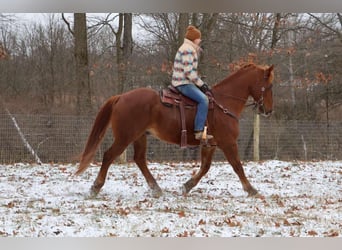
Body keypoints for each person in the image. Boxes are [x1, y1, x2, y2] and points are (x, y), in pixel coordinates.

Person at [171, 25, 213, 140]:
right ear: (194, 39)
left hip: (185, 81)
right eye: (199, 38)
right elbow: (188, 72)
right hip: (183, 83)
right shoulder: (187, 50)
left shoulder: (189, 48)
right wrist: (201, 84)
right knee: (204, 100)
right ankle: (199, 131)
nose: (200, 40)